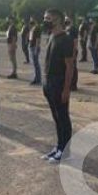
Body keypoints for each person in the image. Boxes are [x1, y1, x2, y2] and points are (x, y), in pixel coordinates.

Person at [41, 9, 74, 163]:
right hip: (48, 82)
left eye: (48, 18)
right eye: (45, 18)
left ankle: (65, 150)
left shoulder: (65, 39)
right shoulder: (51, 37)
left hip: (59, 82)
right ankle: (59, 146)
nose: (45, 21)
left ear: (58, 20)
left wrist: (66, 88)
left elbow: (69, 66)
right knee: (56, 116)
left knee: (62, 117)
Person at [65, 18, 79, 91]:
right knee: (68, 67)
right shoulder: (67, 29)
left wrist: (74, 52)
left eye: (67, 19)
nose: (66, 21)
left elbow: (75, 41)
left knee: (73, 67)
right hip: (67, 50)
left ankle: (73, 85)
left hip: (72, 50)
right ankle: (70, 83)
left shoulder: (73, 29)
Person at [28, 18, 42, 85]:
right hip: (31, 46)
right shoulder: (33, 28)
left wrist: (36, 48)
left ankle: (38, 79)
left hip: (34, 47)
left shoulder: (37, 28)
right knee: (34, 64)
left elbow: (38, 39)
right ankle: (36, 78)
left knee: (36, 64)